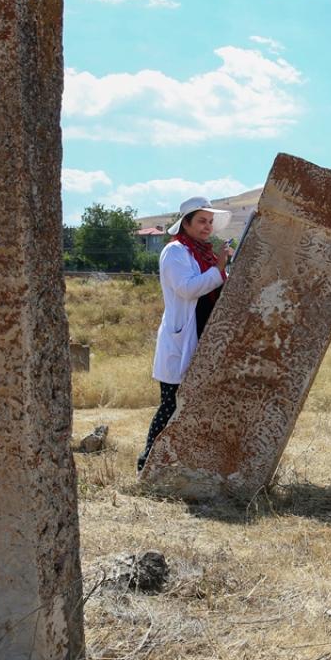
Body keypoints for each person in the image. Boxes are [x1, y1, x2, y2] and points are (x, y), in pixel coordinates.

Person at [137, 196, 234, 472]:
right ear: (186, 223)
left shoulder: (202, 253)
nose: (207, 227)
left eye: (210, 222)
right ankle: (147, 462)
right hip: (182, 339)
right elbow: (187, 288)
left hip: (201, 336)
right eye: (201, 221)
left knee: (196, 407)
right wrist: (218, 268)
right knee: (170, 405)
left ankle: (183, 465)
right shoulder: (175, 251)